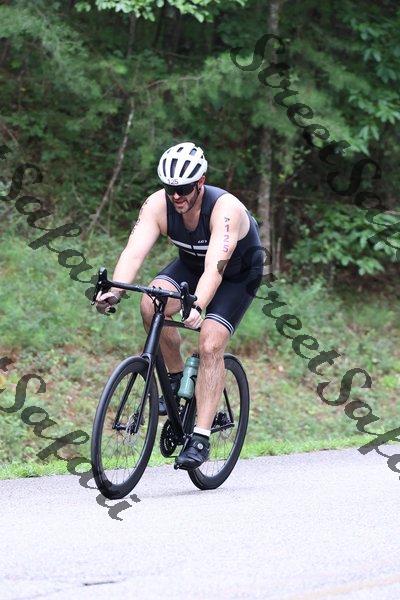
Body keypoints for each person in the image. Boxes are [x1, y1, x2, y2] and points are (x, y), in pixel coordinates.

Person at [96, 142, 263, 469]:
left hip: (235, 274)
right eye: (170, 188)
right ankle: (174, 380)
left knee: (210, 342)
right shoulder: (157, 205)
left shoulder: (225, 209)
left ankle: (201, 436)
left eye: (184, 189)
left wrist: (197, 306)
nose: (176, 196)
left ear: (201, 182)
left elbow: (215, 268)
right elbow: (133, 253)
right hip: (191, 264)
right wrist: (113, 290)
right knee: (150, 303)